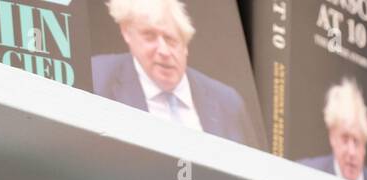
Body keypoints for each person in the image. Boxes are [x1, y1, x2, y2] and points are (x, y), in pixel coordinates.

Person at [92, 0, 263, 148]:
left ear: (185, 44)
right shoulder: (98, 78)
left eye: (171, 39)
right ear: (127, 33)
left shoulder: (228, 103)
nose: (164, 51)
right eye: (150, 37)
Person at [298, 79, 367, 180]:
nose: (351, 152)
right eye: (345, 140)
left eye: (356, 142)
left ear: (364, 147)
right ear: (332, 138)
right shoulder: (308, 175)